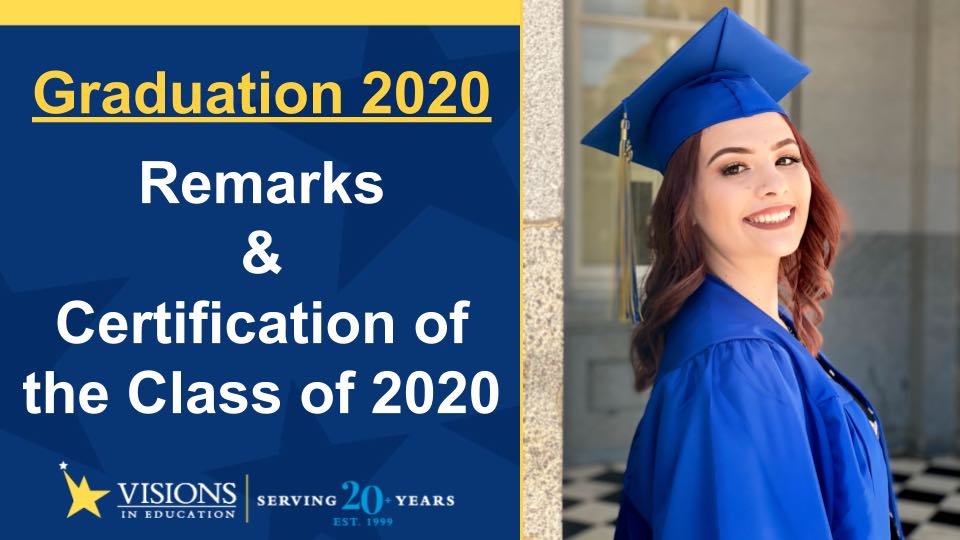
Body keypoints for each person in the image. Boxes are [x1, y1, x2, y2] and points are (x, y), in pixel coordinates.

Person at [580, 7, 905, 540]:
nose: (773, 184)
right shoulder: (735, 365)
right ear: (685, 205)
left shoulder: (750, 325)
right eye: (733, 167)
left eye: (785, 158)